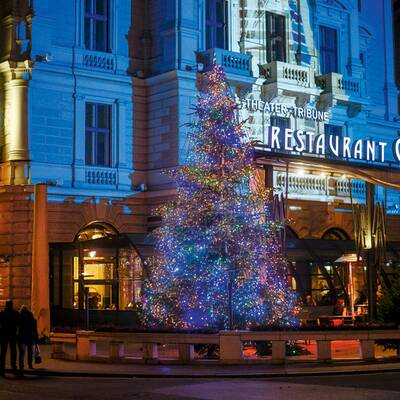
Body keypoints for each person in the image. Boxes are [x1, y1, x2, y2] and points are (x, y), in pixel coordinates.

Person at [0, 300, 20, 376]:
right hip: (12, 334)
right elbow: (19, 323)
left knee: (3, 352)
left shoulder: (2, 313)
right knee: (13, 351)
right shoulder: (15, 313)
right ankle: (13, 367)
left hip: (3, 335)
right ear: (11, 305)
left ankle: (2, 369)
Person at [18, 305, 39, 374]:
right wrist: (36, 339)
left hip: (22, 337)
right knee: (30, 352)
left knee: (22, 353)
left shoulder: (19, 318)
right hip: (30, 337)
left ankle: (21, 366)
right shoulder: (32, 319)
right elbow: (35, 330)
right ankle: (30, 364)